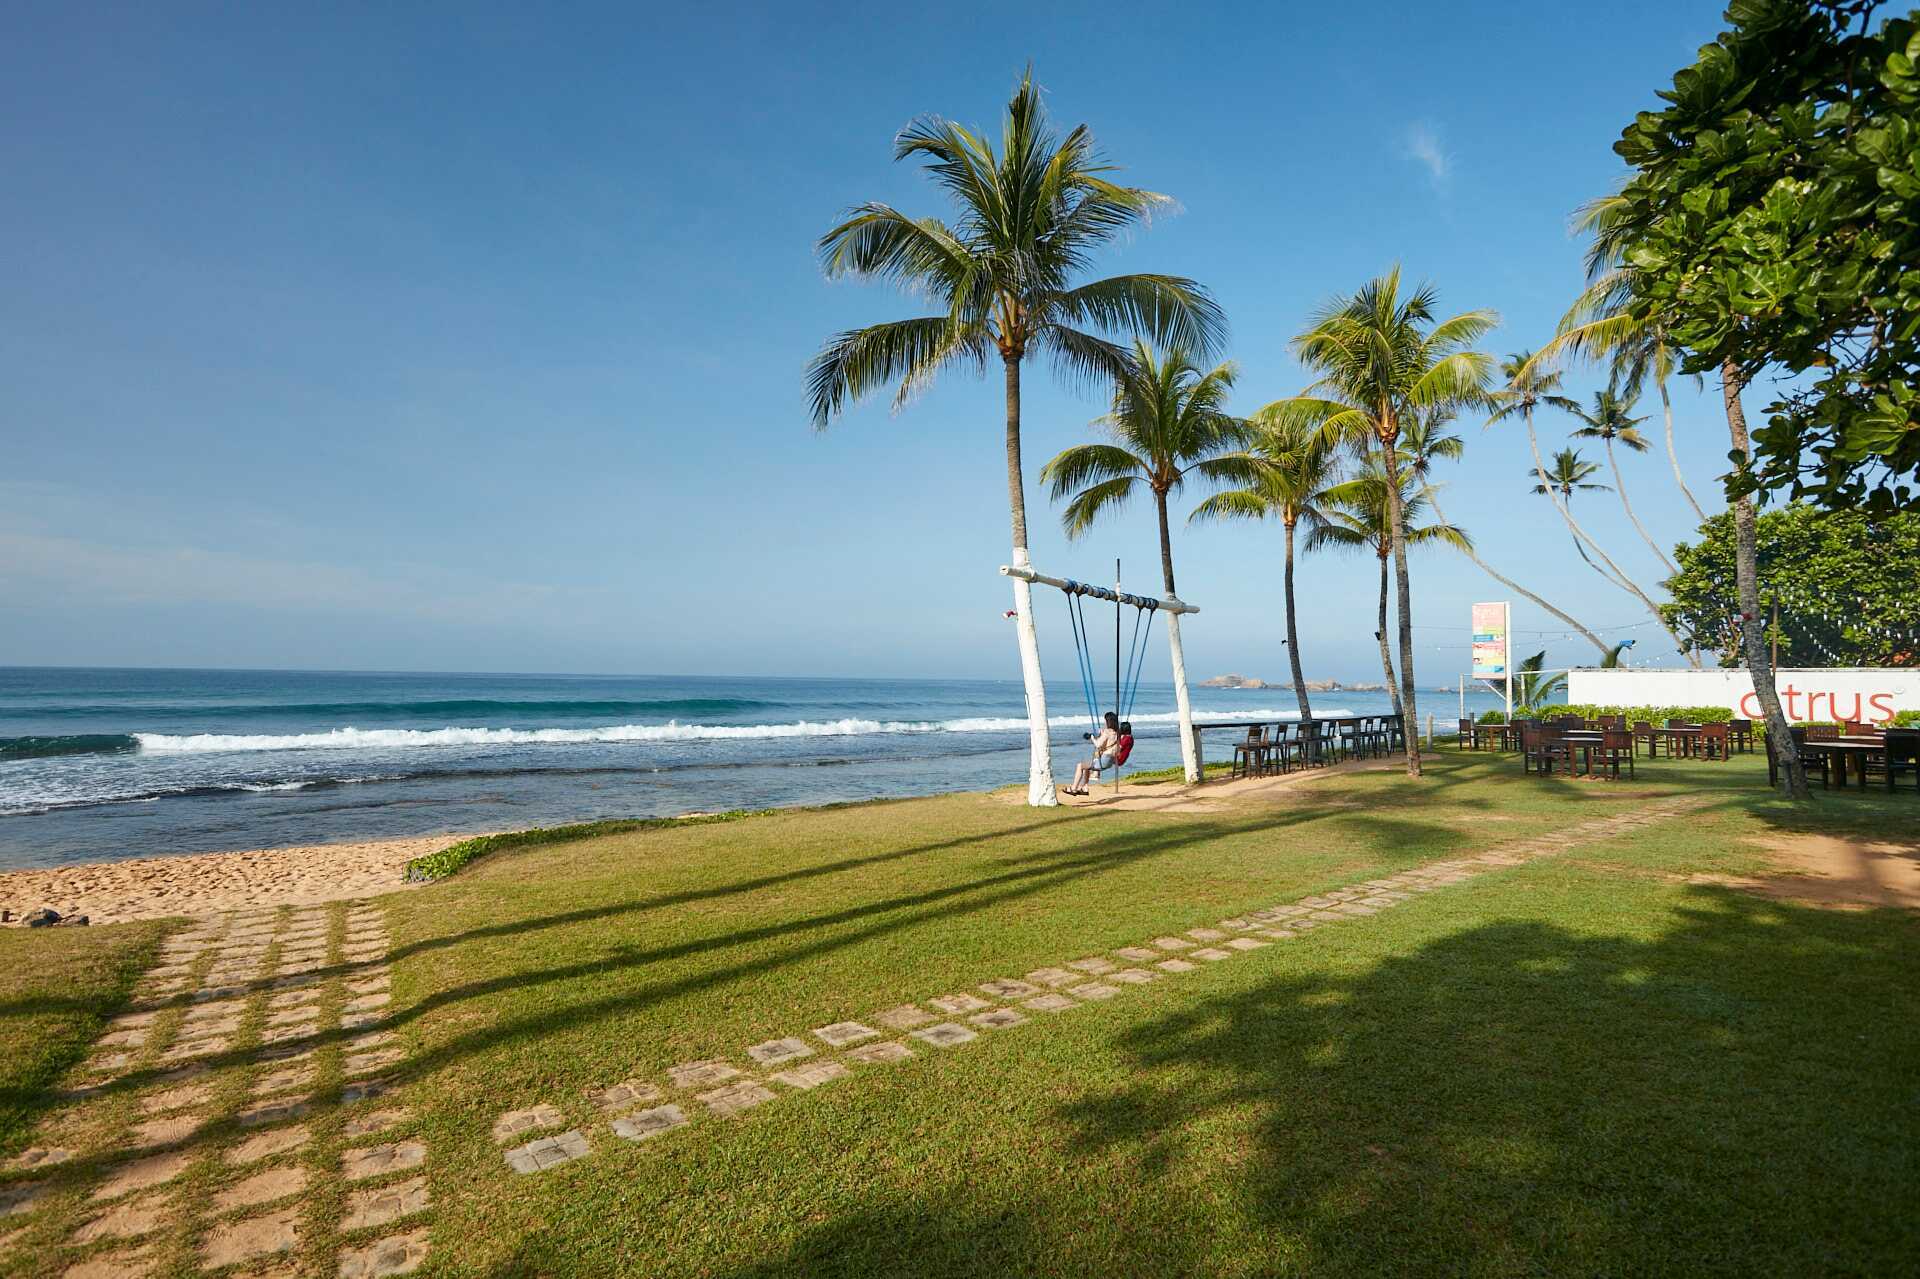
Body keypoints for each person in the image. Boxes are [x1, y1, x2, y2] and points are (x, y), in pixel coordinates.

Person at [1067, 712, 1120, 795]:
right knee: (1087, 766)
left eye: (1105, 720)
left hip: (1103, 762)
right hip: (1109, 762)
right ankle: (1085, 788)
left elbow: (1098, 745)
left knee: (1080, 766)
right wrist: (1102, 734)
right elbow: (1108, 743)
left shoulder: (1107, 732)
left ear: (1108, 721)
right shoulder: (1117, 733)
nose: (1104, 722)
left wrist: (1092, 738)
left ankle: (1073, 788)